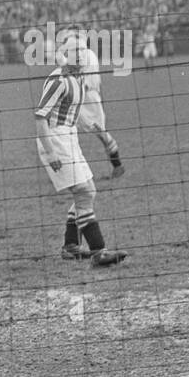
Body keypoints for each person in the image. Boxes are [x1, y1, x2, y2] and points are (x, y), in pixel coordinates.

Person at [35, 35, 126, 268]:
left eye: (82, 52)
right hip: (56, 140)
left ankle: (71, 246)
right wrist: (51, 151)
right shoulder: (60, 79)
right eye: (75, 52)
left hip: (68, 138)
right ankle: (98, 252)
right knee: (84, 192)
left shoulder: (77, 79)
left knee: (89, 191)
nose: (81, 56)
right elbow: (40, 118)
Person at [59, 26, 124, 179]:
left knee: (90, 131)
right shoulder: (84, 54)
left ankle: (116, 165)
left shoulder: (83, 55)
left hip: (85, 97)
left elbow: (76, 75)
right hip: (86, 96)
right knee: (68, 129)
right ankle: (116, 165)